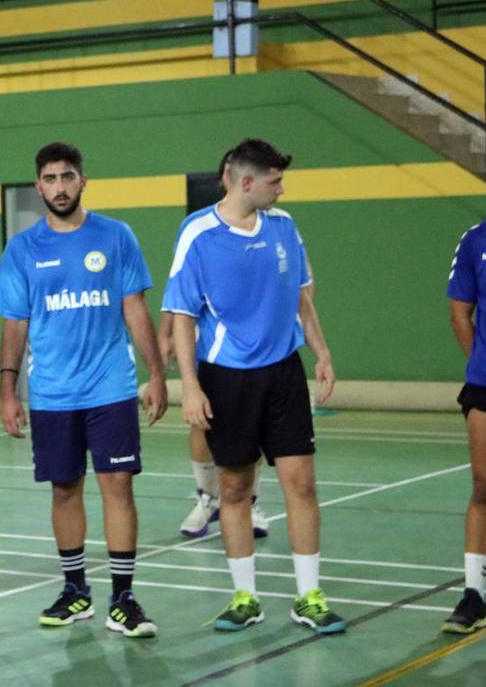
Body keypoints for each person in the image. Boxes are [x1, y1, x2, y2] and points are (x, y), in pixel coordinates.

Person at [163, 138, 345, 634]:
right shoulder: (197, 233)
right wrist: (192, 387)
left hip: (283, 373)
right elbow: (181, 315)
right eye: (274, 181)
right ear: (247, 182)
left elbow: (303, 296)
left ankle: (309, 596)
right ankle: (245, 597)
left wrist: (321, 352)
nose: (281, 189)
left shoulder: (284, 228)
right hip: (226, 378)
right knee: (235, 488)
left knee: (301, 484)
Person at [0, 141, 166, 638]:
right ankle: (75, 591)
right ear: (38, 186)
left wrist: (155, 374)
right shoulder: (22, 249)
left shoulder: (116, 236)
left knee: (118, 485)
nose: (59, 187)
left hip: (110, 387)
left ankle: (124, 598)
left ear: (82, 180)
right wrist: (8, 392)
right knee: (64, 490)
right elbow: (14, 325)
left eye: (68, 177)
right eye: (49, 179)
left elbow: (135, 309)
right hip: (51, 394)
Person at [157, 154, 269, 540]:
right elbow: (177, 292)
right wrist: (166, 337)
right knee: (201, 424)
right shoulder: (197, 231)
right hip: (209, 352)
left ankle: (250, 502)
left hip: (259, 355)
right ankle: (206, 498)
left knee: (252, 431)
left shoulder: (269, 229)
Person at [443, 145, 486, 634]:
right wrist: (481, 359)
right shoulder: (477, 240)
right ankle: (473, 595)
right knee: (485, 485)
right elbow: (460, 310)